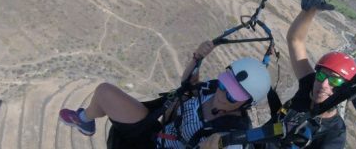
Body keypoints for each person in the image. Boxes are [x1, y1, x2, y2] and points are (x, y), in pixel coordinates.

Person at [59, 40, 271, 149]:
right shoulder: (213, 89)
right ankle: (84, 120)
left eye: (233, 96)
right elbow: (188, 86)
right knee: (105, 92)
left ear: (246, 104)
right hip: (154, 135)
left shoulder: (233, 134)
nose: (223, 94)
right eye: (225, 84)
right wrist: (198, 57)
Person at [270, 0, 356, 149]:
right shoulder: (310, 85)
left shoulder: (334, 134)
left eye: (335, 80)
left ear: (345, 89)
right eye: (322, 74)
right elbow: (295, 40)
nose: (324, 84)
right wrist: (310, 11)